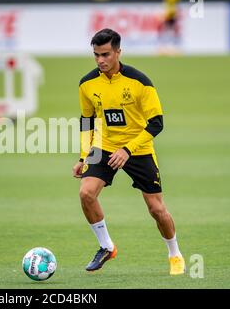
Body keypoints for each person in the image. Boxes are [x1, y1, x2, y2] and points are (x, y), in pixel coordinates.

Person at [72, 28, 185, 275]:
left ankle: (174, 253)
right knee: (86, 194)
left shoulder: (140, 82)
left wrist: (127, 149)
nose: (100, 60)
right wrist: (83, 157)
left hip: (139, 148)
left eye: (105, 54)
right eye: (96, 55)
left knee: (156, 209)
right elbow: (86, 121)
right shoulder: (87, 84)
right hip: (104, 146)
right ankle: (106, 246)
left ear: (118, 52)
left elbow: (156, 123)